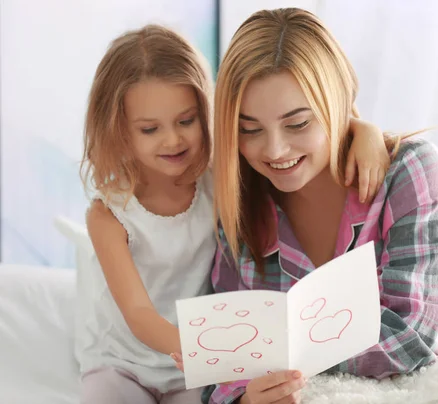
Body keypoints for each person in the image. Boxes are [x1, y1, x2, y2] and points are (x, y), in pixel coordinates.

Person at [77, 24, 390, 404]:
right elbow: (139, 311)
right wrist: (200, 348)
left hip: (197, 367)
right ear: (120, 130)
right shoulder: (109, 214)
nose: (173, 140)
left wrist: (364, 130)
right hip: (124, 361)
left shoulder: (219, 178)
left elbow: (310, 120)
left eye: (186, 121)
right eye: (149, 129)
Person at [206, 8, 438, 404]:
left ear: (339, 105)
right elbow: (221, 373)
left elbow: (412, 337)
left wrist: (278, 362)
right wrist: (248, 398)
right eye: (249, 129)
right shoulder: (240, 207)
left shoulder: (412, 173)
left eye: (298, 124)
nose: (274, 150)